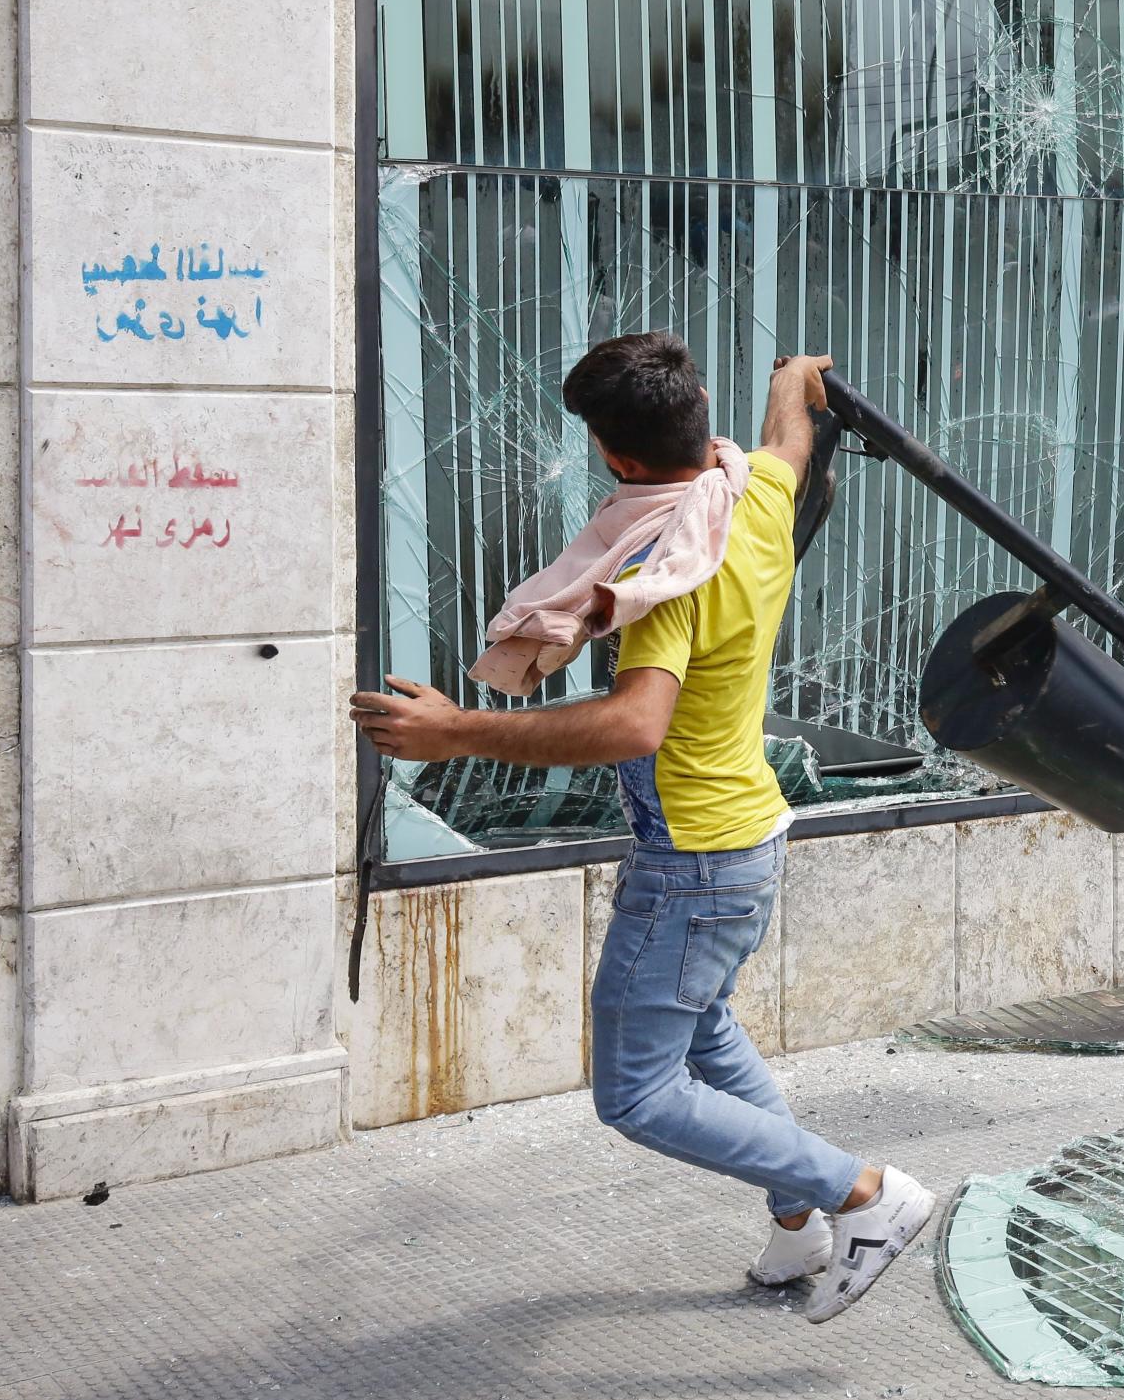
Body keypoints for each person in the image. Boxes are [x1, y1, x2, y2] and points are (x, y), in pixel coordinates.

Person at [351, 334, 933, 1323]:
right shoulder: (752, 495)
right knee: (704, 1032)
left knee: (635, 1091)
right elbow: (788, 441)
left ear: (616, 458)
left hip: (694, 862)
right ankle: (798, 1228)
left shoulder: (671, 571)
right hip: (746, 836)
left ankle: (864, 1192)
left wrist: (457, 731)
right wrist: (796, 381)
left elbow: (633, 722)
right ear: (697, 412)